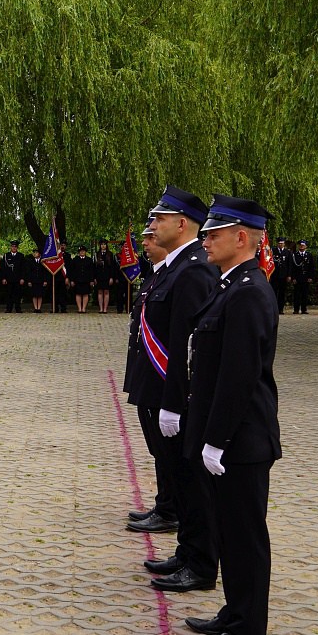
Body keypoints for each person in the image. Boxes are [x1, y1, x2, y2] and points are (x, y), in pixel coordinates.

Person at [181, 194, 280, 635]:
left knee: (244, 536)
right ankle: (234, 611)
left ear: (242, 237)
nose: (205, 239)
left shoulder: (248, 291)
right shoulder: (230, 285)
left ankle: (246, 631)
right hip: (227, 437)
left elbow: (238, 378)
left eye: (214, 233)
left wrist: (216, 441)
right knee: (229, 529)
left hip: (241, 440)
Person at [125, 185, 219, 596]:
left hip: (176, 397)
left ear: (182, 224)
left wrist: (175, 402)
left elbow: (187, 343)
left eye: (159, 219)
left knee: (192, 483)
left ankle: (199, 563)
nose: (152, 226)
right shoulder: (173, 268)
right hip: (161, 390)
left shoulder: (195, 268)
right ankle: (187, 554)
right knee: (180, 479)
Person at [122, 220, 175, 529]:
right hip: (148, 373)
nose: (144, 243)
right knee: (158, 449)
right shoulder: (158, 275)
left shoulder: (178, 274)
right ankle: (164, 503)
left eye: (150, 238)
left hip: (161, 376)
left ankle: (170, 509)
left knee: (166, 450)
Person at [0, 240, 27, 313]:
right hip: (8, 279)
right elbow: (3, 268)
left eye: (15, 247)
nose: (14, 248)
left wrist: (22, 278)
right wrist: (3, 278)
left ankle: (18, 308)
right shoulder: (6, 256)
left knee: (17, 294)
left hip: (18, 279)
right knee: (9, 294)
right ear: (10, 247)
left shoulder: (21, 256)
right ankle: (9, 308)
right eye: (13, 246)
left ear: (17, 247)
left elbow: (23, 268)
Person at [67, 245, 96, 313]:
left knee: (85, 294)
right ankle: (79, 308)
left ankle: (84, 308)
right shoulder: (75, 260)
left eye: (83, 251)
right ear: (78, 252)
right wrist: (72, 280)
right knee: (78, 294)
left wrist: (92, 280)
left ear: (85, 252)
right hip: (77, 280)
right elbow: (72, 271)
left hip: (86, 280)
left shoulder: (89, 260)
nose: (82, 252)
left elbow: (92, 271)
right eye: (80, 251)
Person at [94, 239, 119, 313]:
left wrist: (111, 277)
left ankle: (105, 309)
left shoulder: (110, 254)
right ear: (100, 246)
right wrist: (94, 278)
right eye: (102, 244)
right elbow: (94, 267)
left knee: (106, 292)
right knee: (100, 292)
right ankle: (101, 308)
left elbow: (112, 267)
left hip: (107, 276)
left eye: (104, 244)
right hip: (99, 276)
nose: (103, 246)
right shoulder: (96, 254)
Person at [289, 240, 313, 314]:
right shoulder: (294, 255)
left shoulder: (309, 255)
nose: (301, 246)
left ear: (306, 246)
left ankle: (304, 309)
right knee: (297, 294)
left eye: (303, 245)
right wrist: (293, 278)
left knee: (305, 294)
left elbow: (311, 267)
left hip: (306, 277)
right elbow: (292, 267)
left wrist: (310, 277)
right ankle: (296, 309)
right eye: (300, 245)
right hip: (297, 277)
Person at [270, 237, 290, 314]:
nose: (280, 245)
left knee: (282, 293)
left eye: (282, 243)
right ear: (277, 244)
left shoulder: (287, 252)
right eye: (279, 243)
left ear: (284, 244)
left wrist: (289, 275)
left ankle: (280, 309)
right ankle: (274, 309)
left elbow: (289, 264)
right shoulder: (273, 251)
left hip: (283, 276)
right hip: (274, 275)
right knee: (274, 292)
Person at [27, 246, 49, 312]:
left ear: (39, 254)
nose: (35, 254)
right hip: (33, 280)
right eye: (34, 252)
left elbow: (45, 272)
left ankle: (39, 308)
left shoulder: (43, 262)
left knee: (39, 295)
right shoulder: (30, 261)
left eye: (36, 252)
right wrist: (29, 281)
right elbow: (28, 272)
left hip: (40, 280)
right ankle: (35, 308)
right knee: (34, 295)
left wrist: (45, 280)